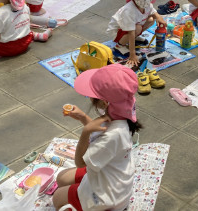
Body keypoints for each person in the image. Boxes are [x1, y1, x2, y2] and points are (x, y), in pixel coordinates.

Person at [52, 64, 139, 211]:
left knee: (58, 197)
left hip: (108, 199)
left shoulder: (113, 135)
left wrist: (85, 132)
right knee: (61, 178)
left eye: (92, 96)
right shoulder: (124, 113)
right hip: (112, 176)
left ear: (104, 102)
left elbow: (80, 163)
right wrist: (83, 117)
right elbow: (101, 131)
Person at [107, 0, 166, 67]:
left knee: (151, 19)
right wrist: (132, 54)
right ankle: (120, 46)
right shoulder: (129, 10)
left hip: (132, 28)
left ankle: (135, 37)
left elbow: (153, 12)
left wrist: (159, 18)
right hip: (118, 33)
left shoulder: (147, 4)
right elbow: (131, 32)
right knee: (137, 28)